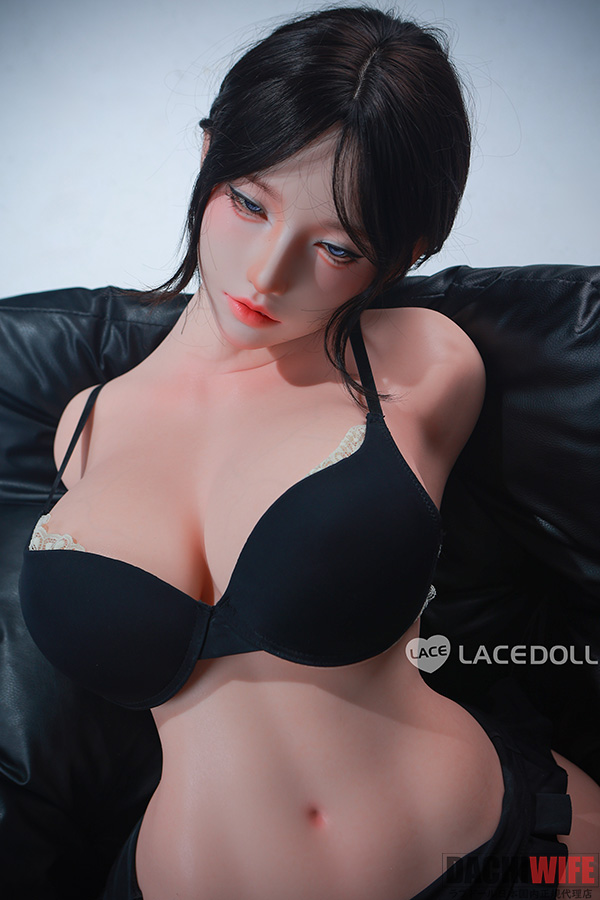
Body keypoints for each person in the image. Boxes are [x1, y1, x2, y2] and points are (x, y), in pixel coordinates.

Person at [18, 6, 600, 899]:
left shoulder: (419, 365)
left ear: (403, 255)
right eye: (249, 203)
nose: (266, 273)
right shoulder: (82, 427)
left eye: (334, 247)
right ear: (208, 155)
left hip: (509, 857)